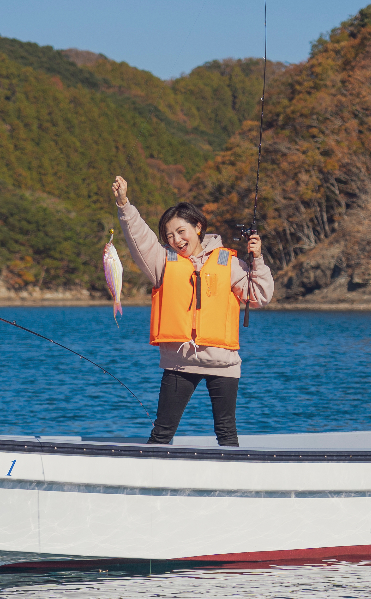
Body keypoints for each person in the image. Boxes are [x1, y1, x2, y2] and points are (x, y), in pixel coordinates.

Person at [111, 175, 274, 446]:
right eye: (169, 236)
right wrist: (124, 204)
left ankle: (233, 472)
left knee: (227, 433)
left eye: (181, 231)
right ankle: (150, 470)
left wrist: (257, 260)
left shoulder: (228, 261)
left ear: (198, 227)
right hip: (180, 361)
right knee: (162, 433)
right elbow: (140, 237)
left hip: (223, 362)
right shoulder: (162, 261)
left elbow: (259, 295)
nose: (176, 239)